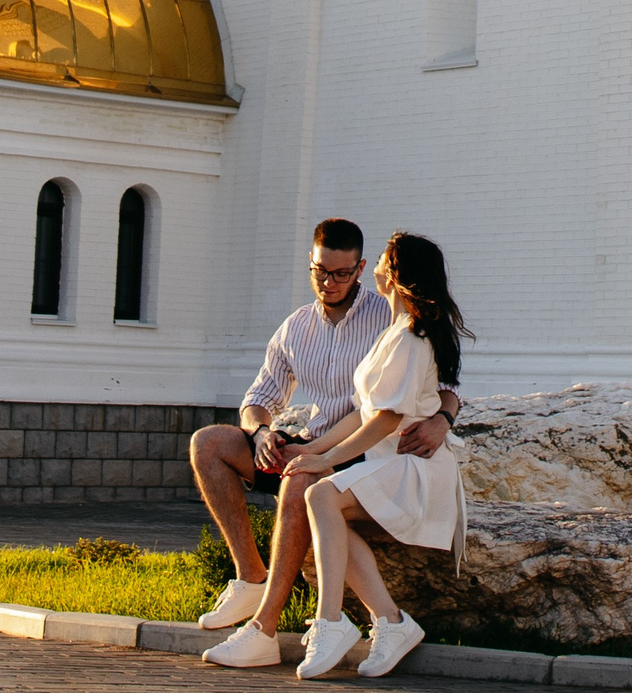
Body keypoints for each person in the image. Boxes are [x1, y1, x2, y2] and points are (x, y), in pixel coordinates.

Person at [193, 218, 459, 669]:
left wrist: (443, 419)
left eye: (341, 273)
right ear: (310, 264)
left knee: (303, 484)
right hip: (325, 438)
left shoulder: (391, 317)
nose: (329, 281)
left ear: (360, 269)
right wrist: (262, 433)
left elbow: (436, 383)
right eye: (321, 271)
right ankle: (251, 578)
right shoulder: (297, 326)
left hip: (361, 449)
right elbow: (260, 397)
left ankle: (263, 629)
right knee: (209, 443)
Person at [282, 231, 473, 680]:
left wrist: (327, 463)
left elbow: (386, 421)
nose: (379, 267)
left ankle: (331, 623)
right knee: (324, 505)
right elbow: (362, 412)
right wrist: (311, 449)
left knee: (322, 497)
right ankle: (390, 622)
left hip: (415, 469)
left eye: (386, 259)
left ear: (396, 274)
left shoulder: (411, 337)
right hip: (389, 464)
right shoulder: (395, 334)